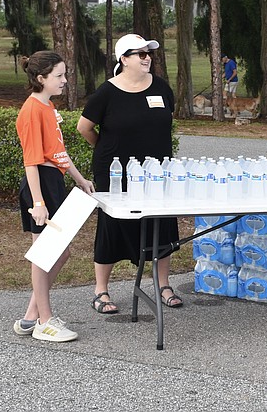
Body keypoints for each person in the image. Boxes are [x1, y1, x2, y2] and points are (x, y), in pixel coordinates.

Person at [77, 34, 182, 314]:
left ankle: (162, 285)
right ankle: (101, 290)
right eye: (140, 54)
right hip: (115, 173)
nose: (147, 58)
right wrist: (106, 148)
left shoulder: (161, 88)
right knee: (112, 227)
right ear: (124, 59)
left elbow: (165, 122)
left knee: (161, 223)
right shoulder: (106, 93)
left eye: (149, 53)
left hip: (157, 172)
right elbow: (84, 127)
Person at [14, 51, 95, 342]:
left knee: (61, 253)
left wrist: (79, 178)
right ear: (41, 78)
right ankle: (44, 322)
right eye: (59, 76)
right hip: (41, 187)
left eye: (65, 74)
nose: (65, 80)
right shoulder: (32, 110)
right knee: (45, 255)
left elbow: (57, 152)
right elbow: (31, 160)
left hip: (54, 182)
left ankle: (30, 316)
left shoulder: (47, 107)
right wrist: (38, 202)